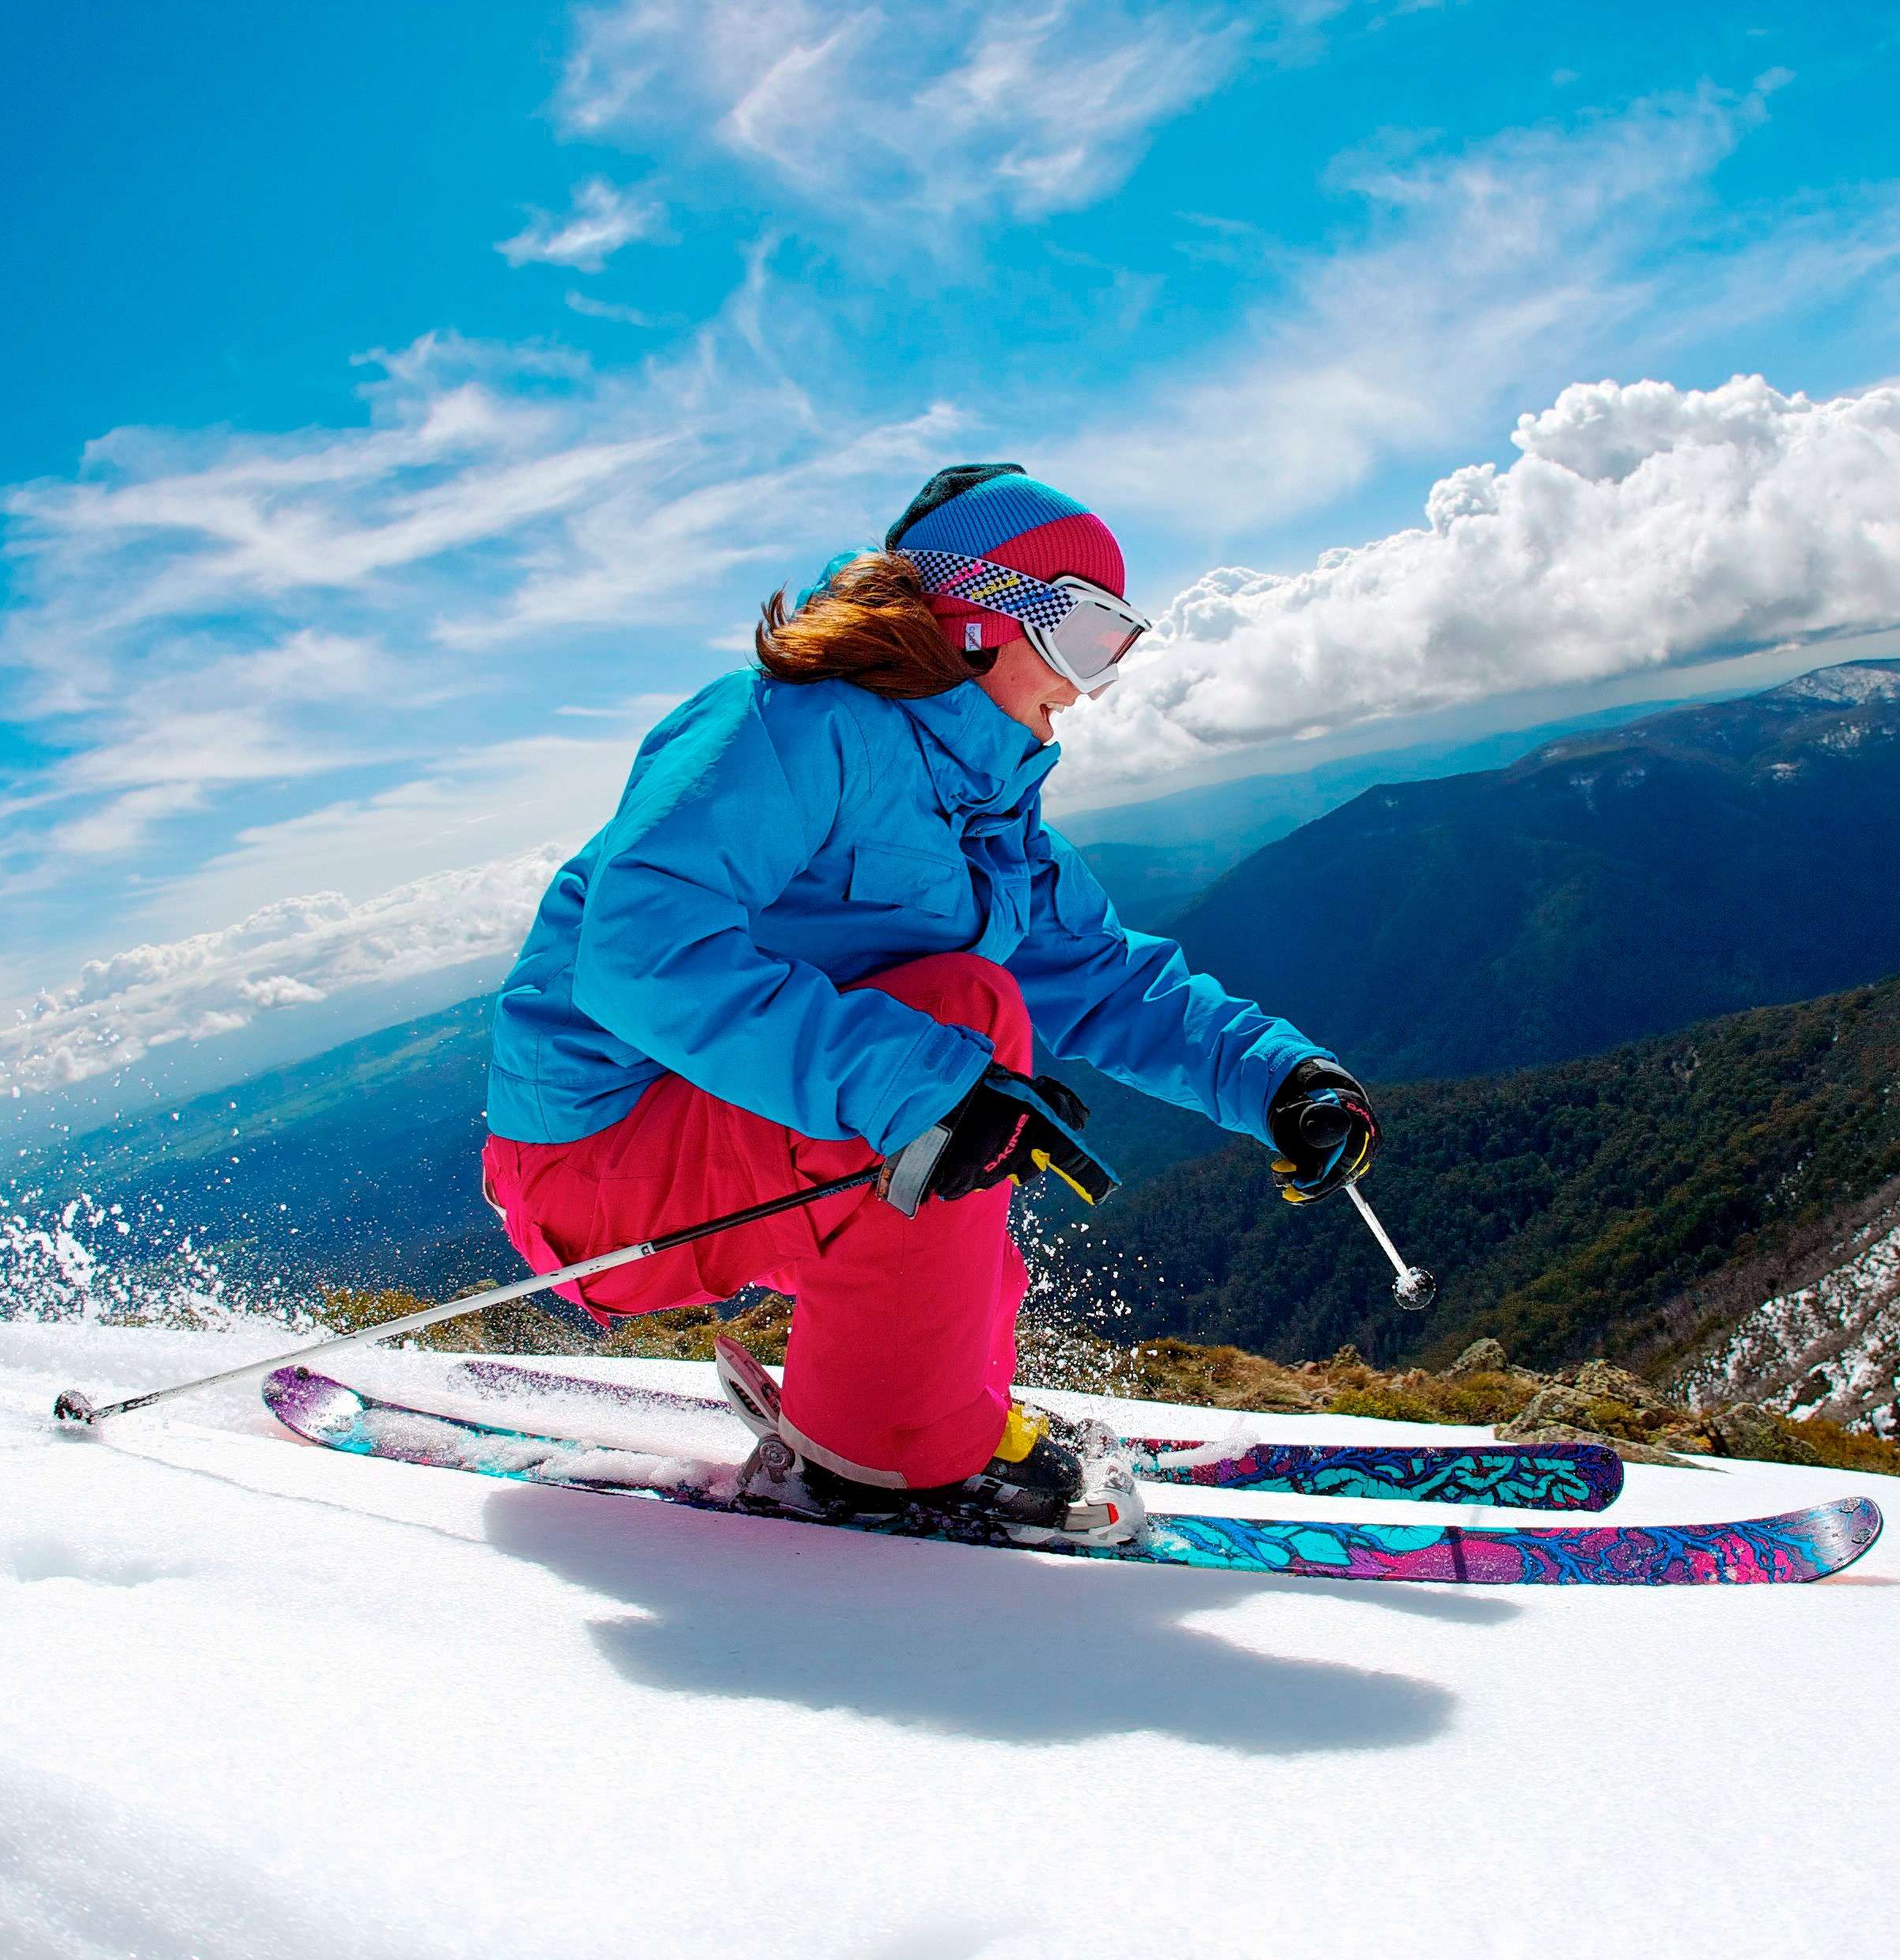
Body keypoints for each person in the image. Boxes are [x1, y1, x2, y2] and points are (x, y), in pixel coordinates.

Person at [481, 464, 1381, 1545]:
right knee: (962, 1031)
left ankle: (925, 1405)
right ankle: (882, 1464)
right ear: (976, 619)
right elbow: (635, 949)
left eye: (1117, 648)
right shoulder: (788, 726)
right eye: (1086, 639)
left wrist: (1278, 1077)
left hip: (733, 1154)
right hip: (597, 1172)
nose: (1091, 687)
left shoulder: (986, 815)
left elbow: (1105, 977)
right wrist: (920, 1079)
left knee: (968, 1115)